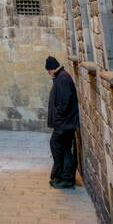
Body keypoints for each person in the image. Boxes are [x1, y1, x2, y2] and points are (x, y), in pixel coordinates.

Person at [46, 55, 79, 189]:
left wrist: (58, 116)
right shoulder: (60, 77)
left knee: (62, 148)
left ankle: (66, 178)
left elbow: (64, 102)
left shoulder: (63, 78)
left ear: (51, 69)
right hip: (64, 123)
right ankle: (61, 176)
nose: (48, 74)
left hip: (65, 124)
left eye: (48, 71)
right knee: (62, 149)